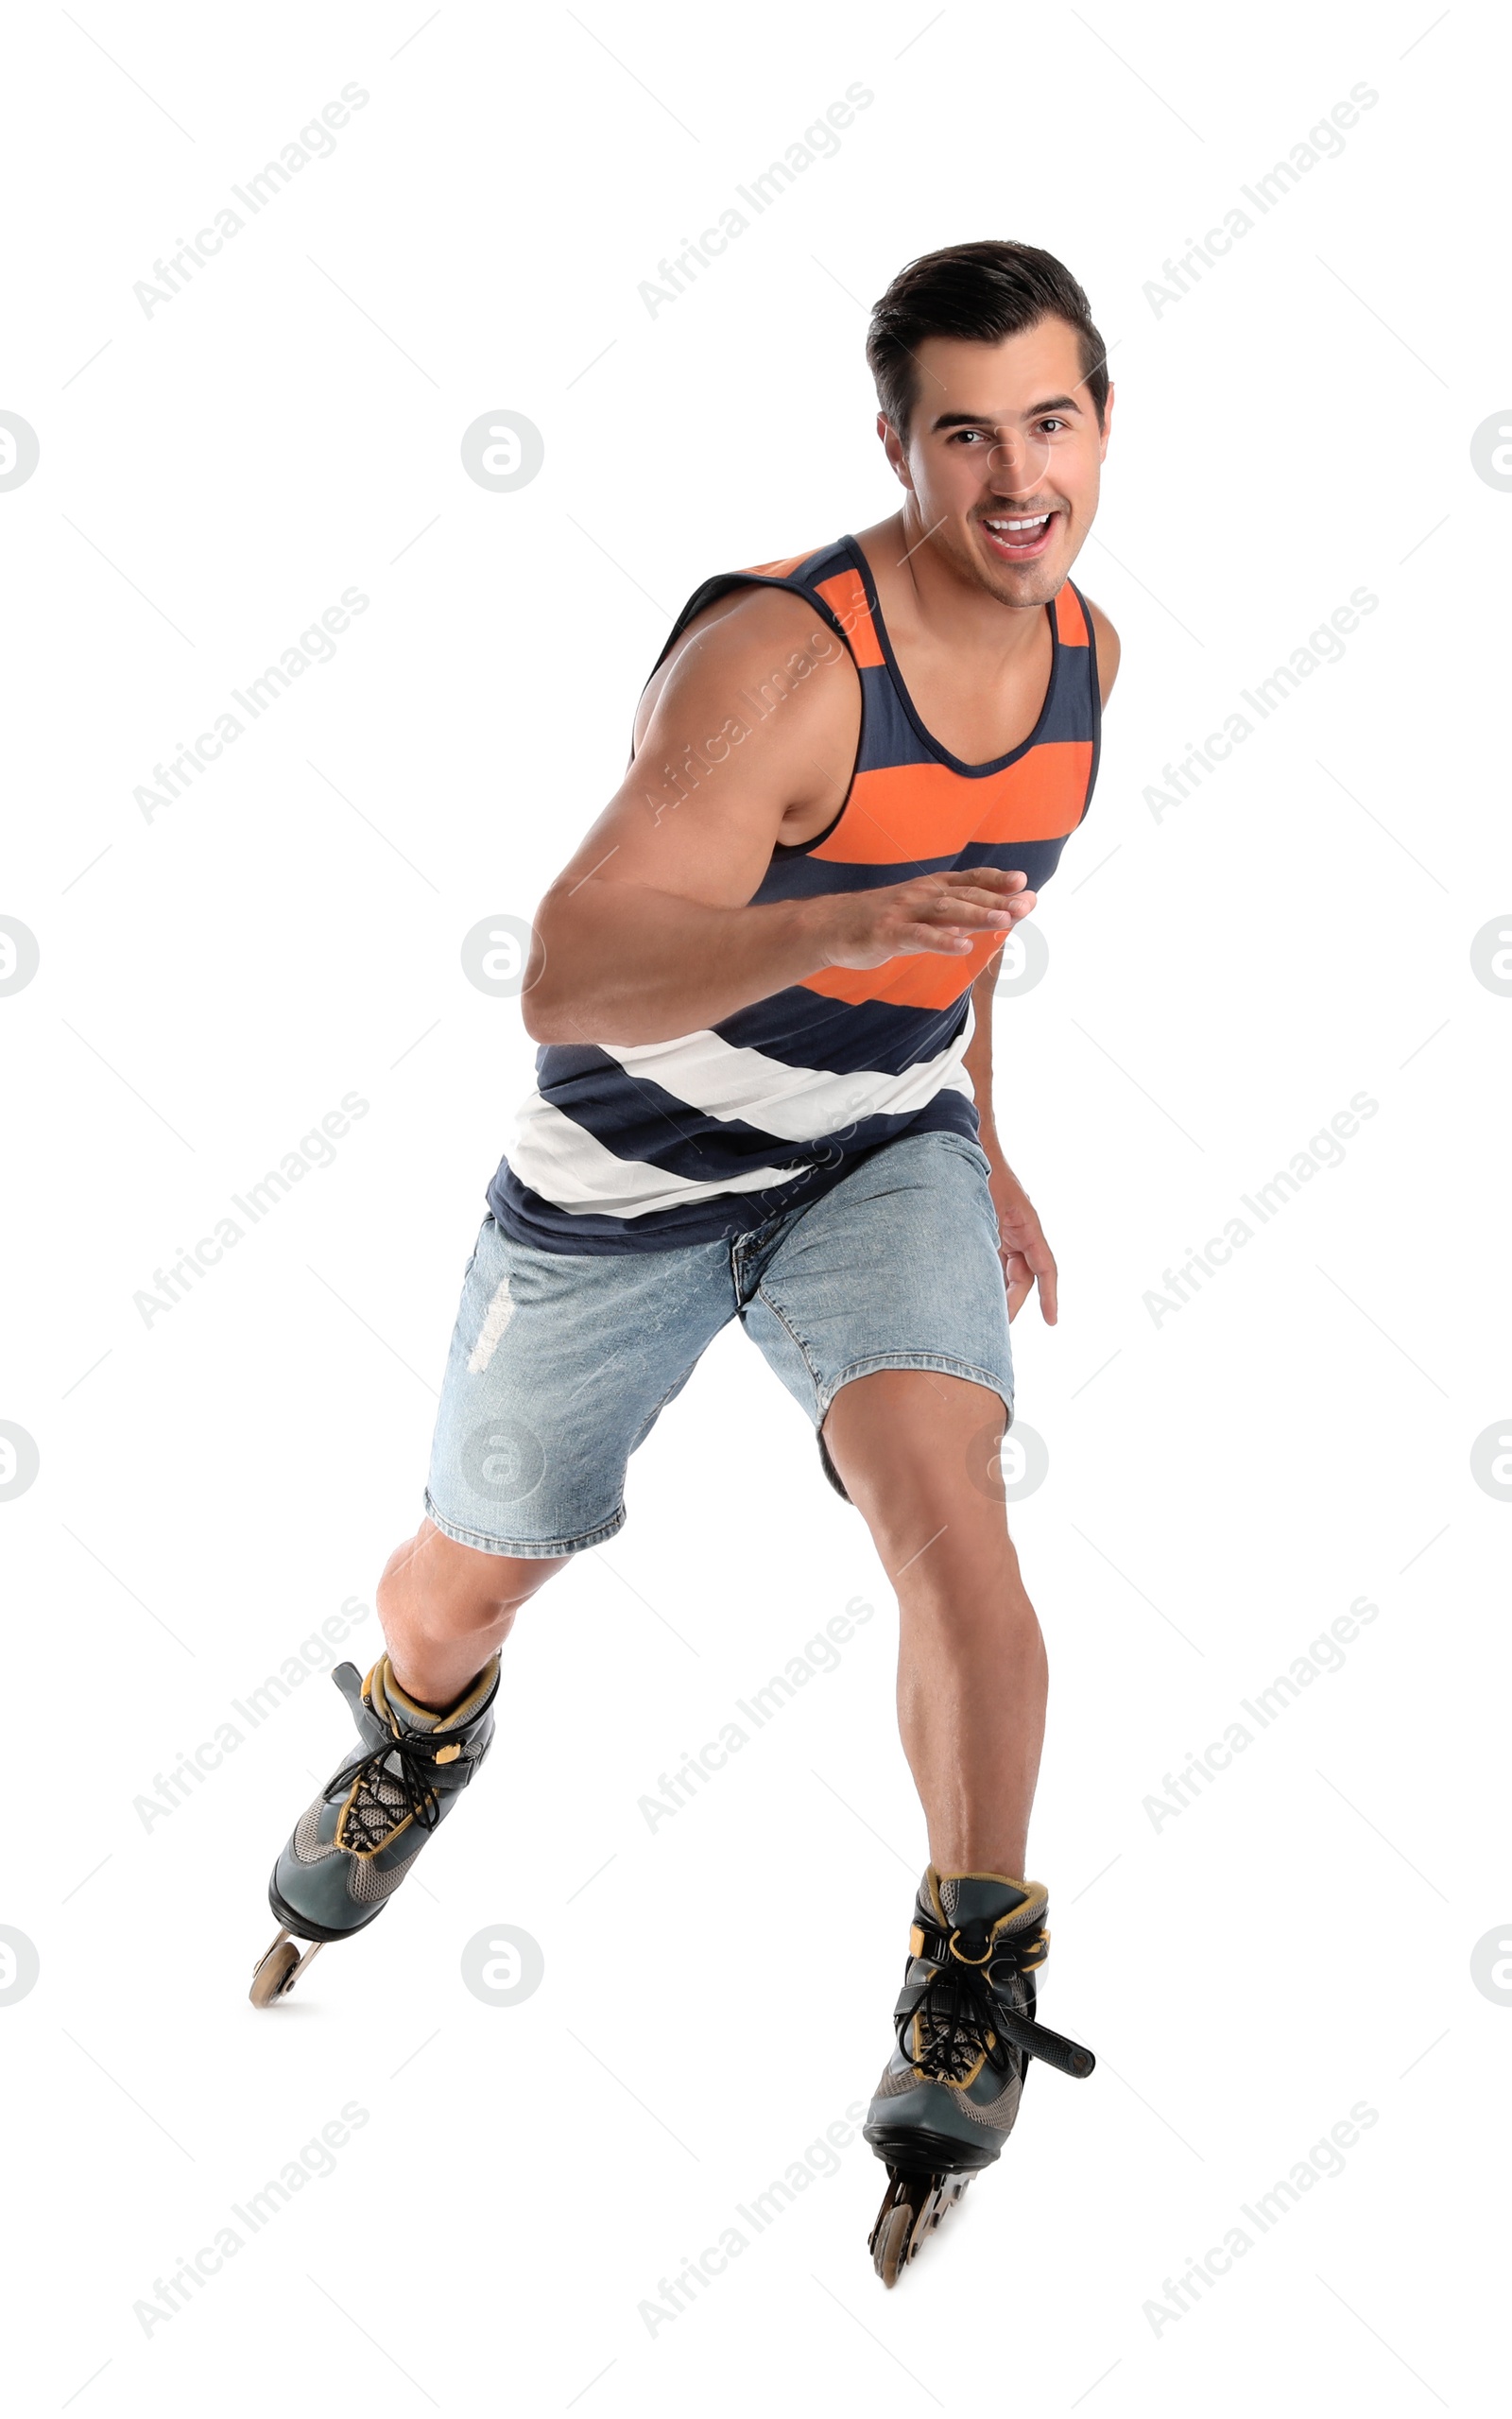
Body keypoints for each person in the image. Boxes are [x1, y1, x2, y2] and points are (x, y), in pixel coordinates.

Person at [251, 237, 1119, 2285]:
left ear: (1103, 425)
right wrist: (828, 920)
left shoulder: (1087, 652)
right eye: (966, 431)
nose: (1016, 476)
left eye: (1052, 421)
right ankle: (415, 1728)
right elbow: (564, 963)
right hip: (623, 1181)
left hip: (872, 1157)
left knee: (953, 1517)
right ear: (896, 445)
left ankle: (969, 1958)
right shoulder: (783, 663)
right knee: (469, 1571)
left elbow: (973, 922)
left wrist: (979, 1137)